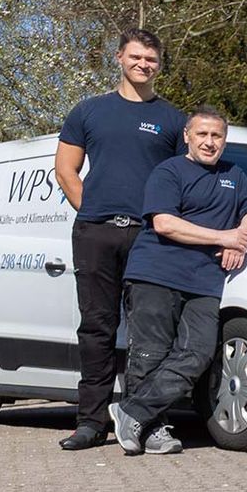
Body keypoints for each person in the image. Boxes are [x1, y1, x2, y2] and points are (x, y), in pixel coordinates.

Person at [53, 29, 188, 451]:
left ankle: (145, 422)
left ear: (159, 65)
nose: (143, 64)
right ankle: (91, 423)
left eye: (151, 59)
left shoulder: (173, 120)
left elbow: (183, 181)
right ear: (119, 58)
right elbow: (65, 170)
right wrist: (93, 210)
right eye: (136, 57)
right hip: (95, 233)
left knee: (150, 333)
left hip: (150, 238)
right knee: (97, 328)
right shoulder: (88, 111)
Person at [109, 106, 247, 456]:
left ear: (224, 140)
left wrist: (241, 236)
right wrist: (223, 237)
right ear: (187, 136)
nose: (209, 142)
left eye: (217, 136)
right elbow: (165, 223)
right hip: (156, 273)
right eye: (202, 134)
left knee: (198, 353)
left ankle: (132, 411)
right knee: (150, 354)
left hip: (205, 280)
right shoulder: (169, 171)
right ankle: (153, 430)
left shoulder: (234, 174)